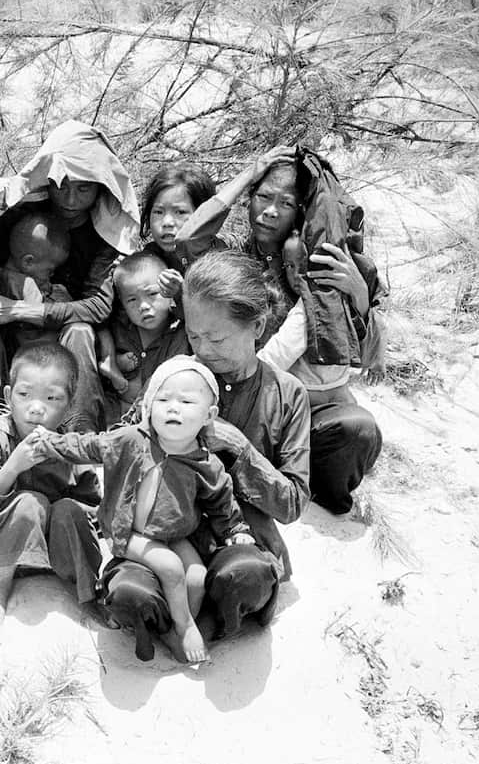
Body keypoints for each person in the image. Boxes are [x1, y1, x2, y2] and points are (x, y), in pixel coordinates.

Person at [49, 250, 310, 660]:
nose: (202, 350)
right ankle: (175, 627)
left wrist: (241, 450)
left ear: (257, 327)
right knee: (129, 594)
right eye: (194, 336)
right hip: (158, 536)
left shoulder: (286, 394)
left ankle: (207, 625)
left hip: (235, 537)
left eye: (217, 338)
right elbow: (125, 439)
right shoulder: (175, 377)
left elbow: (293, 502)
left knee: (243, 578)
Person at [173, 147, 383, 514]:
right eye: (262, 197)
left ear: (301, 212)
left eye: (285, 203)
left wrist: (360, 297)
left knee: (358, 429)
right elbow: (188, 240)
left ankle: (317, 500)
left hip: (316, 414)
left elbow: (367, 359)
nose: (269, 211)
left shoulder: (326, 264)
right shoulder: (234, 260)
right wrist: (246, 173)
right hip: (251, 407)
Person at [31, 357, 254, 663]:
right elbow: (89, 446)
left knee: (197, 577)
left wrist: (236, 531)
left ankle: (173, 625)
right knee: (171, 568)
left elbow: (221, 502)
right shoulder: (131, 439)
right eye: (163, 399)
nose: (173, 407)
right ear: (149, 407)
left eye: (186, 401)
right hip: (129, 531)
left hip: (173, 533)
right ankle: (184, 628)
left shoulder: (206, 463)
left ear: (208, 415)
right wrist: (50, 443)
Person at [0, 120, 141, 432]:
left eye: (83, 188)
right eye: (62, 186)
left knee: (80, 332)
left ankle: (79, 436)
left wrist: (28, 311)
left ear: (101, 187)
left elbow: (97, 307)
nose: (70, 200)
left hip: (69, 337)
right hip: (10, 334)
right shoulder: (19, 217)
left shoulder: (108, 236)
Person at [0, 341, 100, 626]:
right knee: (30, 502)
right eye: (25, 394)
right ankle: (0, 584)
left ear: (69, 405)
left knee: (67, 509)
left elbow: (92, 506)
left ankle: (85, 592)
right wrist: (14, 466)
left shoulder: (71, 444)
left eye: (52, 399)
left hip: (50, 547)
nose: (36, 408)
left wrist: (64, 513)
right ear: (8, 395)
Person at [97, 251, 190, 423]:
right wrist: (112, 359)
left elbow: (194, 314)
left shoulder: (179, 329)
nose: (144, 306)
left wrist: (180, 293)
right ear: (123, 305)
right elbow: (99, 326)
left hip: (156, 415)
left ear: (169, 294)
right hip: (116, 406)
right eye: (132, 300)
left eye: (152, 294)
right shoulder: (120, 328)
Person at [0, 211, 71, 354]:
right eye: (50, 271)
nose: (52, 276)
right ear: (28, 262)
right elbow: (39, 313)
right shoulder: (24, 285)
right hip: (33, 354)